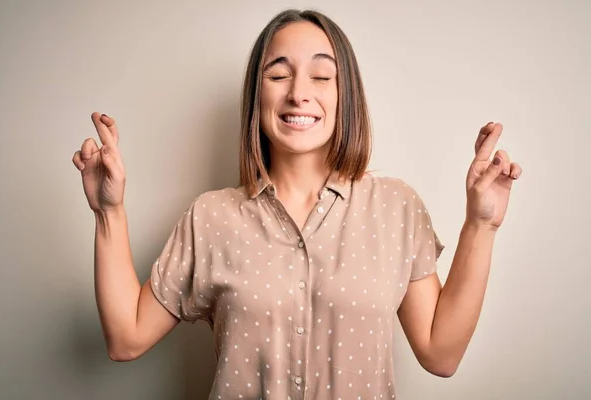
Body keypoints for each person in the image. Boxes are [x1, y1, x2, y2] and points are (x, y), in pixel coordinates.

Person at [72, 8, 521, 400]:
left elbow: (441, 354)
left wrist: (481, 225)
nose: (299, 93)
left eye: (322, 76)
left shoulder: (395, 207)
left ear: (345, 96)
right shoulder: (211, 217)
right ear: (257, 95)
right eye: (279, 74)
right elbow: (126, 339)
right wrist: (107, 212)